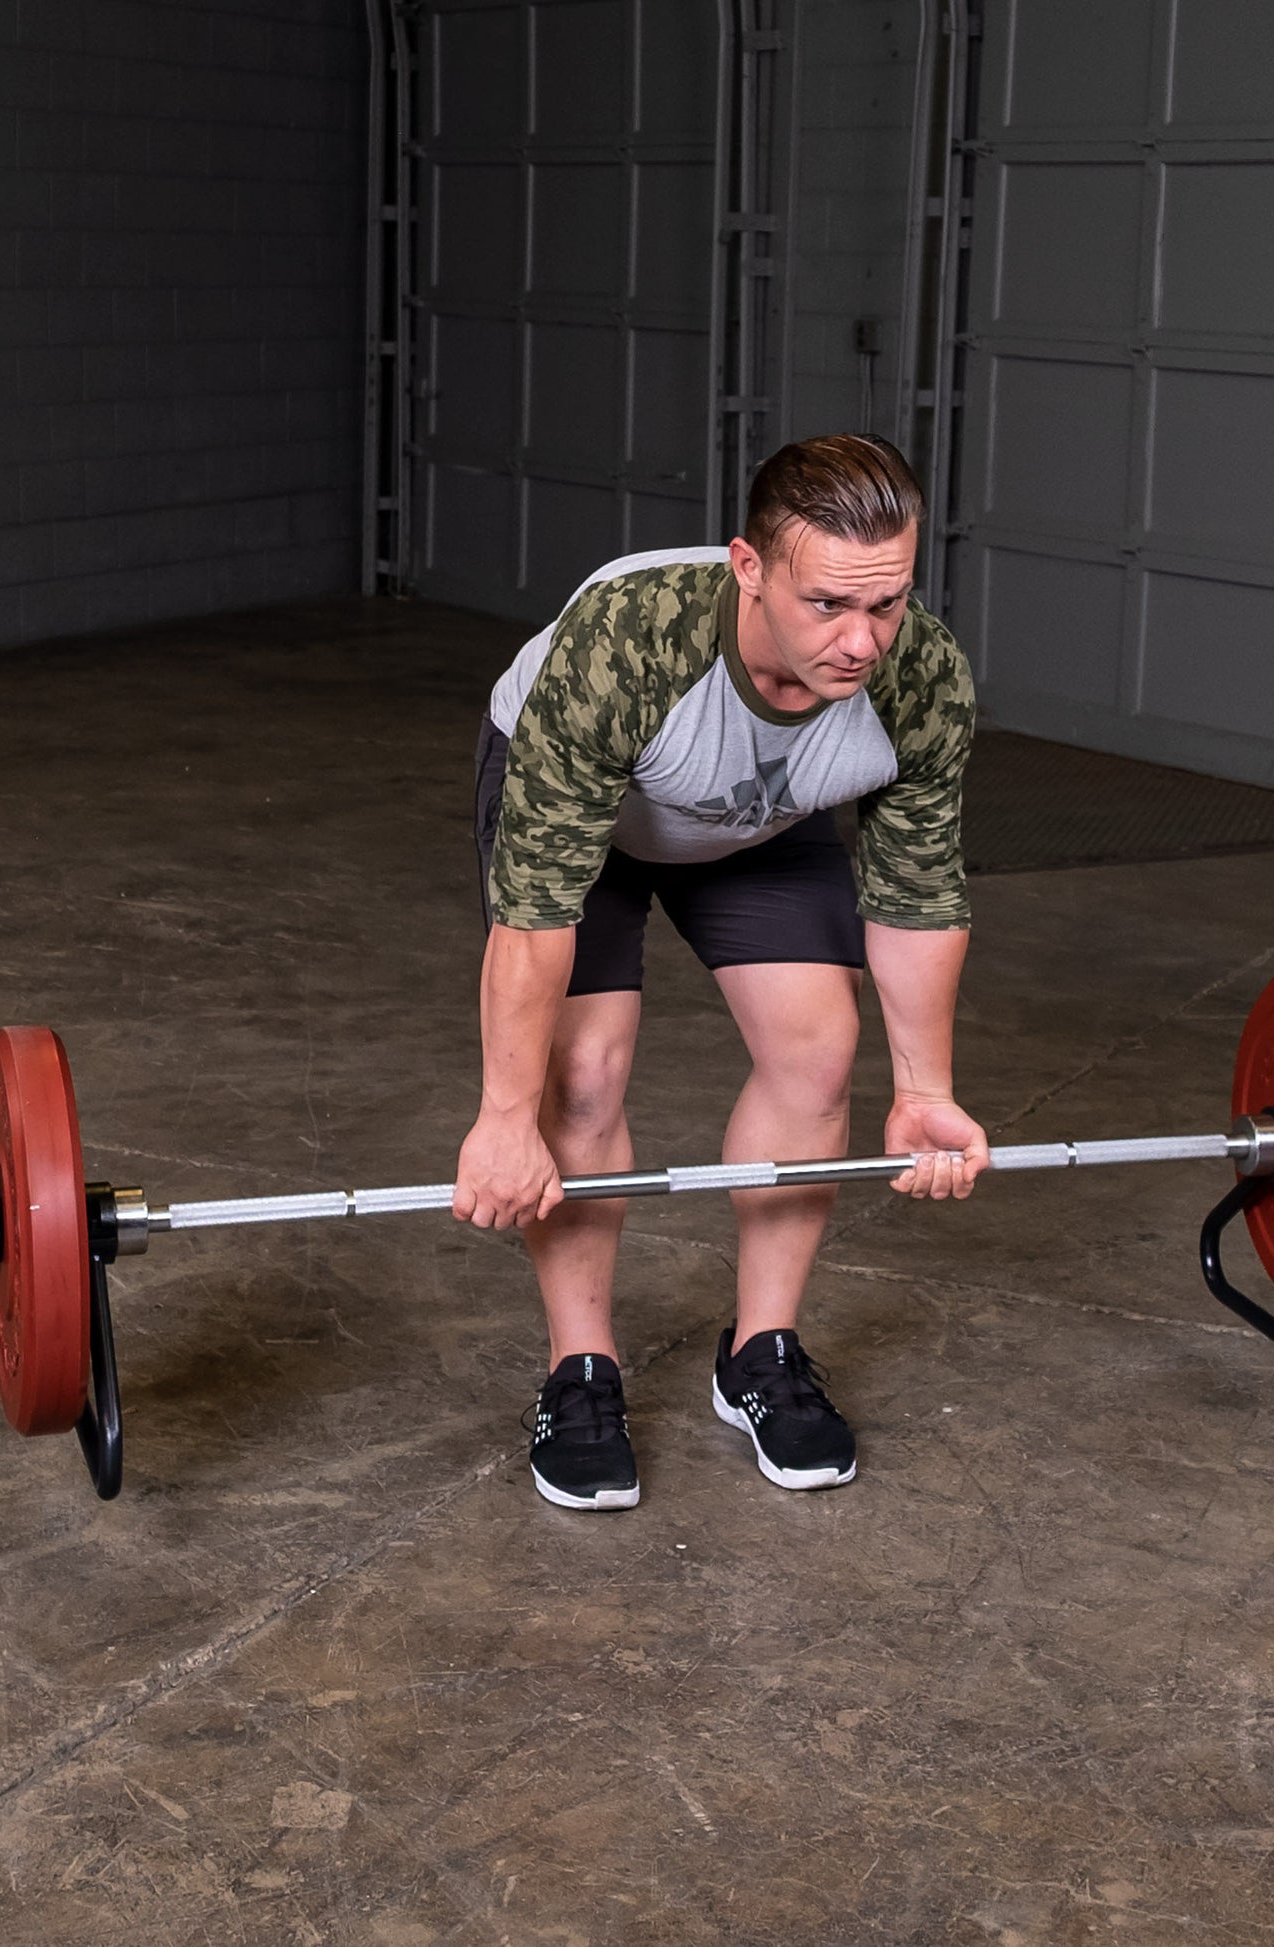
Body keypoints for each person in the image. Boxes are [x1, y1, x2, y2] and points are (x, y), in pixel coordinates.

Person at [456, 433, 989, 1511]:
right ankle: (580, 1370)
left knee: (819, 1048)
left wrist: (924, 1091)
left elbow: (916, 897)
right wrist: (504, 1116)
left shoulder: (921, 680)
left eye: (885, 604)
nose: (862, 642)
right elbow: (535, 916)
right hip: (590, 827)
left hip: (754, 824)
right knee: (585, 1072)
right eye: (828, 604)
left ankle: (761, 1351)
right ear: (747, 568)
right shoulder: (630, 641)